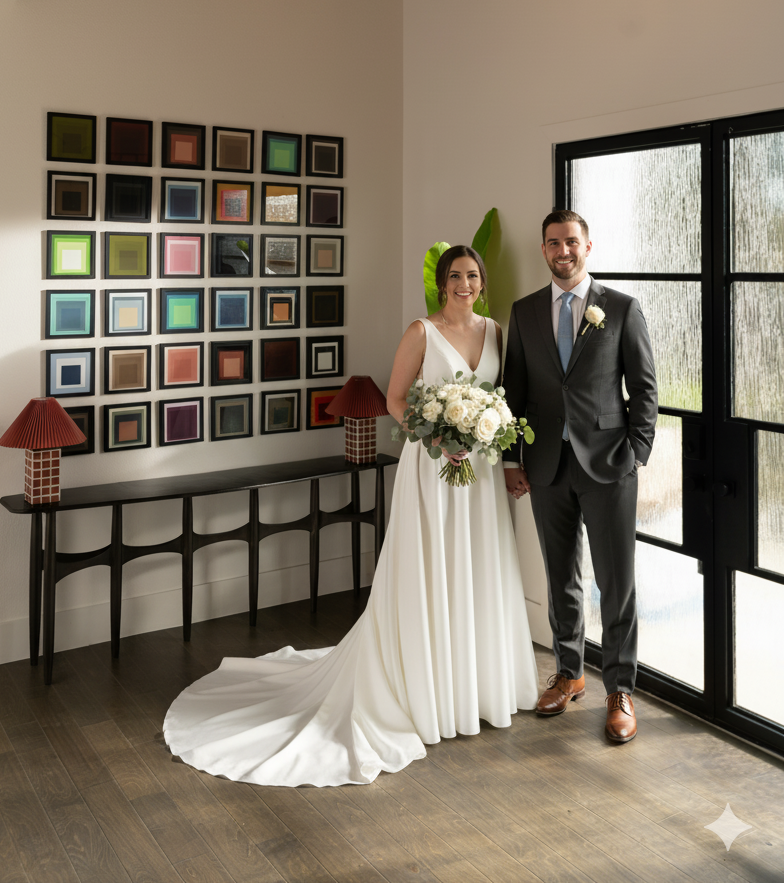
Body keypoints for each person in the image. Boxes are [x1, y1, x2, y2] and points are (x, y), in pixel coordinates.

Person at [164, 245, 538, 786]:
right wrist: (436, 433)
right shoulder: (420, 331)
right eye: (454, 275)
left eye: (472, 275)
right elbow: (394, 399)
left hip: (479, 473)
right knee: (429, 571)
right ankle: (424, 693)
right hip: (432, 467)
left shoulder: (497, 332)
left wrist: (492, 442)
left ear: (482, 282)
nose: (464, 283)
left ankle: (475, 688)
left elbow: (503, 401)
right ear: (440, 282)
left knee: (477, 570)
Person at [502, 209, 658, 743]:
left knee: (616, 582)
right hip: (546, 465)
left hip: (610, 465)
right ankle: (570, 673)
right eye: (552, 243)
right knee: (559, 575)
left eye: (571, 241)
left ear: (587, 247)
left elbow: (643, 387)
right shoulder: (523, 313)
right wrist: (511, 460)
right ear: (542, 250)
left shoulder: (620, 308)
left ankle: (620, 688)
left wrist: (636, 451)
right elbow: (514, 392)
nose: (561, 251)